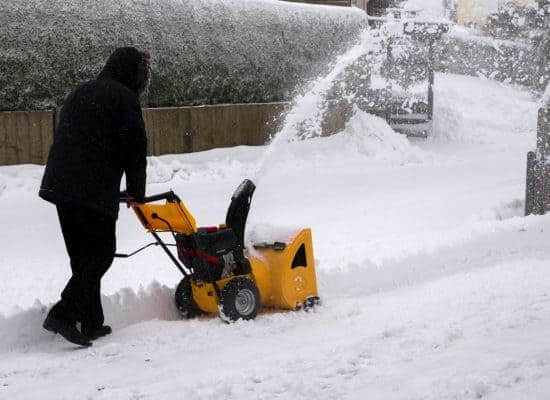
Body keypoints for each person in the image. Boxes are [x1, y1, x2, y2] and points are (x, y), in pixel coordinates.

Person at [39, 47, 151, 347]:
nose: (144, 78)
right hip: (92, 187)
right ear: (130, 71)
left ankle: (90, 322)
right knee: (100, 255)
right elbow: (134, 147)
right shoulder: (124, 98)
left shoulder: (82, 91)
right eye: (142, 71)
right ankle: (63, 314)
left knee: (83, 257)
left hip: (62, 185)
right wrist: (137, 191)